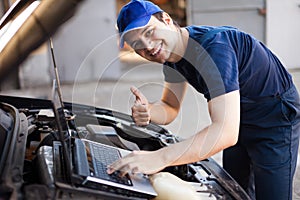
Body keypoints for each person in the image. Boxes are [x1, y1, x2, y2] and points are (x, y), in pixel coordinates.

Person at [107, 0, 300, 199]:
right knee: (234, 190)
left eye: (149, 32)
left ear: (166, 19)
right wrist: (149, 111)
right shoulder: (172, 58)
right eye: (137, 44)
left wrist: (160, 158)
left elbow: (225, 132)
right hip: (238, 116)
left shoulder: (215, 49)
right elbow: (169, 107)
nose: (147, 46)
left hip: (275, 119)